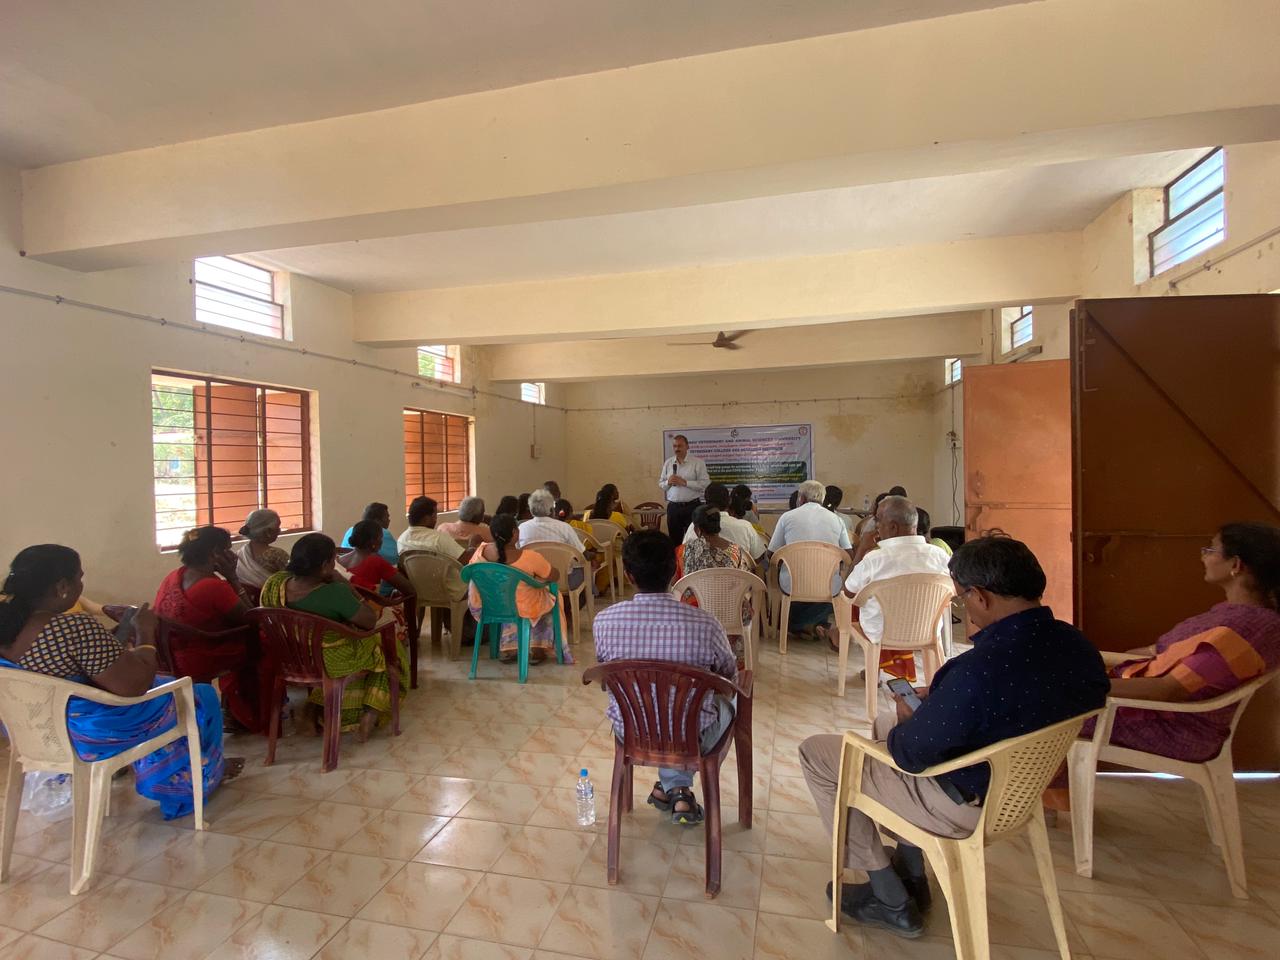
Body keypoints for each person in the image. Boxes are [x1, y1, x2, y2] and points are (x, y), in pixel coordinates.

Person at [799, 534, 1109, 938]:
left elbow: (910, 755)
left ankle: (888, 896)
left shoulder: (980, 669)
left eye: (963, 598)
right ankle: (912, 872)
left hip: (961, 801)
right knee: (883, 725)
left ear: (980, 596)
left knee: (820, 754)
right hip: (1020, 793)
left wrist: (914, 717)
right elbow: (1027, 696)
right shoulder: (1078, 647)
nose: (966, 607)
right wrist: (941, 699)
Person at [1046, 522, 1280, 808]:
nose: (1203, 556)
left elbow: (1169, 689)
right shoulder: (1240, 617)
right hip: (1165, 713)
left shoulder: (1243, 630)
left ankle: (1030, 801)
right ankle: (1050, 798)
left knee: (1041, 706)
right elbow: (1160, 654)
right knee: (1044, 690)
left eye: (1210, 549)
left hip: (1178, 727)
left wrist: (1082, 687)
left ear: (1236, 564)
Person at [0, 545, 237, 819]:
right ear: (62, 586)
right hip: (91, 734)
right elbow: (134, 687)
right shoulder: (71, 627)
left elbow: (75, 666)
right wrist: (145, 633)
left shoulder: (9, 625)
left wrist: (121, 634)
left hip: (34, 731)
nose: (80, 585)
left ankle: (170, 771)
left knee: (166, 684)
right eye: (79, 578)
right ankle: (185, 781)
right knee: (199, 695)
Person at [593, 530, 738, 825]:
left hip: (632, 730)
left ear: (628, 575)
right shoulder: (705, 624)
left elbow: (606, 678)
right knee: (730, 705)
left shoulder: (604, 621)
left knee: (667, 715)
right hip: (692, 735)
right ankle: (678, 788)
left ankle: (671, 785)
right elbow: (728, 678)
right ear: (675, 570)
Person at [260, 534, 404, 741]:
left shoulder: (274, 583)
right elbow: (369, 621)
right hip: (330, 661)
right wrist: (348, 587)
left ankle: (312, 712)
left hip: (291, 659)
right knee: (384, 653)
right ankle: (369, 714)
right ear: (325, 565)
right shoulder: (335, 592)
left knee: (367, 648)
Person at [154, 526, 270, 733]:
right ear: (216, 553)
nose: (233, 555)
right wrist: (233, 578)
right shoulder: (214, 587)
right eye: (228, 549)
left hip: (166, 651)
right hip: (199, 656)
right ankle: (249, 714)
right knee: (265, 642)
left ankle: (236, 710)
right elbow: (253, 619)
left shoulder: (174, 576)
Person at [840, 496, 952, 679]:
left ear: (893, 527)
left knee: (858, 605)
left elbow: (847, 592)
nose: (876, 525)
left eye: (878, 520)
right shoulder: (939, 556)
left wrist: (861, 550)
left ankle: (873, 669)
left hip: (882, 633)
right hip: (928, 630)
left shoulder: (874, 559)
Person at [467, 513, 570, 664]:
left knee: (520, 598)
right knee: (553, 597)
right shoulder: (529, 557)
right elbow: (554, 575)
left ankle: (510, 648)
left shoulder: (480, 552)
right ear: (515, 533)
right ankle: (537, 648)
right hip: (523, 608)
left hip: (491, 606)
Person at [768, 479, 853, 639]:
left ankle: (796, 624)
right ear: (822, 499)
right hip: (828, 585)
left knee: (792, 589)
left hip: (792, 583)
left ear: (801, 498)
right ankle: (812, 625)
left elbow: (771, 553)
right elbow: (848, 555)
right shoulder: (837, 520)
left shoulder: (787, 517)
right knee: (838, 591)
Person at [681, 482, 765, 565]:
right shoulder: (745, 527)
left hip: (700, 574)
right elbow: (759, 559)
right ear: (729, 501)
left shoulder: (694, 526)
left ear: (706, 502)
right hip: (738, 573)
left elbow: (683, 555)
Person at [658, 434, 709, 545]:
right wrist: (668, 482)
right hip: (673, 508)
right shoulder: (668, 463)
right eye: (675, 446)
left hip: (692, 506)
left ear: (687, 446)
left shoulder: (697, 463)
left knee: (694, 540)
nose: (677, 449)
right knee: (674, 541)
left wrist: (685, 483)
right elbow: (661, 484)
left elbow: (705, 484)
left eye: (680, 446)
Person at [235, 508, 290, 589]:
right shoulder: (277, 554)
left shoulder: (239, 553)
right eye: (278, 527)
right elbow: (292, 581)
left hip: (244, 596)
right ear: (268, 532)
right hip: (271, 596)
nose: (279, 531)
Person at [342, 502, 398, 567]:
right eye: (387, 517)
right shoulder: (382, 532)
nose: (389, 520)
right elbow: (395, 558)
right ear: (377, 520)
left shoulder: (350, 530)